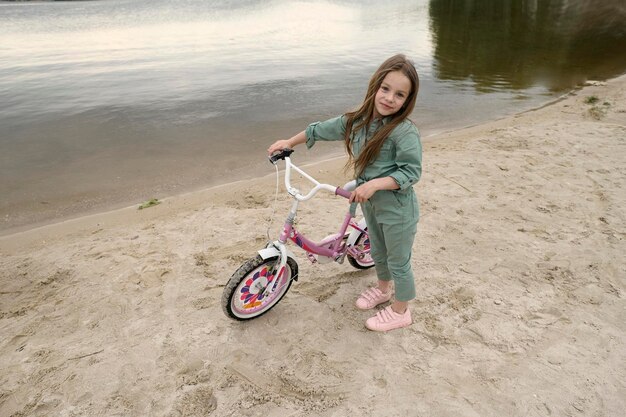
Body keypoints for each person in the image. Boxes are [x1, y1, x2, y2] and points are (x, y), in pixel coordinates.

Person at [268, 54, 421, 332]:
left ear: (407, 100)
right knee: (378, 250)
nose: (389, 98)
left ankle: (401, 311)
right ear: (375, 86)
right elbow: (322, 129)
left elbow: (411, 172)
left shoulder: (403, 132)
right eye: (385, 89)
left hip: (398, 209)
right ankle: (383, 290)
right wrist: (289, 142)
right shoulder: (358, 121)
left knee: (399, 260)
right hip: (371, 206)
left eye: (399, 94)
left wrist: (374, 184)